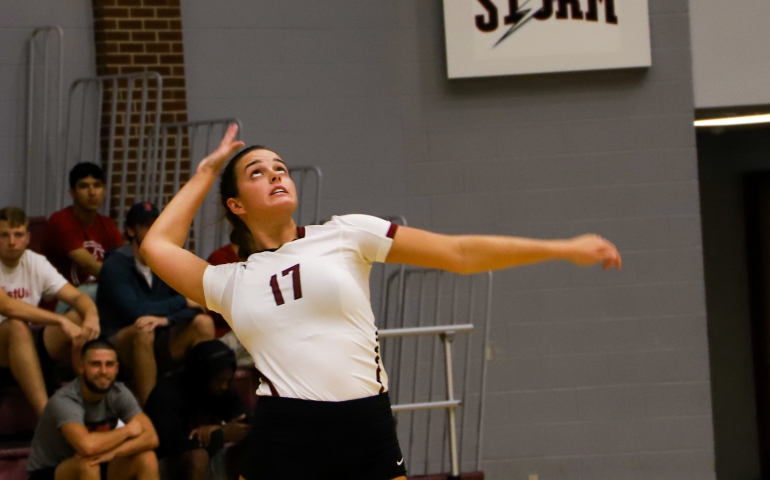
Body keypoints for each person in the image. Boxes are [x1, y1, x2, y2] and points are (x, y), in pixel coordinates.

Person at [140, 125, 622, 480]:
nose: (275, 175)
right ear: (236, 204)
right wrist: (205, 172)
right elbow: (157, 248)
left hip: (364, 421)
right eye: (256, 172)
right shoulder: (230, 281)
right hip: (286, 428)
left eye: (281, 168)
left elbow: (457, 252)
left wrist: (560, 248)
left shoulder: (347, 233)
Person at [97, 202, 215, 404]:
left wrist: (166, 320)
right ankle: (152, 413)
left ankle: (203, 407)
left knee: (203, 323)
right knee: (143, 329)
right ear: (130, 230)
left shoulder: (166, 259)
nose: (153, 230)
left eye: (157, 224)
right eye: (146, 225)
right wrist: (181, 303)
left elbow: (197, 307)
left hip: (160, 336)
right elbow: (136, 311)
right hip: (119, 343)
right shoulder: (115, 265)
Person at [0, 207, 100, 416]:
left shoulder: (35, 262)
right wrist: (59, 320)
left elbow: (77, 297)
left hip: (24, 345)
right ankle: (45, 415)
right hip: (6, 341)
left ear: (28, 237)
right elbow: (7, 306)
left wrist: (91, 317)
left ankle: (91, 401)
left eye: (18, 235)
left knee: (77, 317)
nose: (12, 241)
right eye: (4, 235)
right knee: (16, 325)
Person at [26, 338, 159, 480]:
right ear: (81, 367)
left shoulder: (119, 393)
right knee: (88, 464)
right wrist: (126, 431)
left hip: (95, 460)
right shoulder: (65, 399)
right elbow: (87, 447)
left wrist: (114, 452)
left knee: (147, 457)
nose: (103, 371)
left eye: (109, 364)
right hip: (48, 472)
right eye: (96, 364)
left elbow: (151, 437)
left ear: (116, 369)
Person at [145, 340, 250, 480]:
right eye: (220, 380)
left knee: (254, 447)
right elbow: (172, 446)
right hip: (167, 466)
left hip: (209, 460)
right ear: (202, 374)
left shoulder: (223, 391)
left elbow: (249, 421)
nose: (224, 386)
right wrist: (221, 434)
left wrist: (218, 429)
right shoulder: (166, 393)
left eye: (228, 381)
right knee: (198, 456)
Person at [42, 162, 124, 313]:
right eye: (84, 186)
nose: (92, 192)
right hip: (63, 301)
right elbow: (90, 266)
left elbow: (124, 261)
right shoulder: (60, 221)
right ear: (72, 193)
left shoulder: (107, 224)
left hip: (99, 299)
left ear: (104, 190)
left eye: (97, 185)